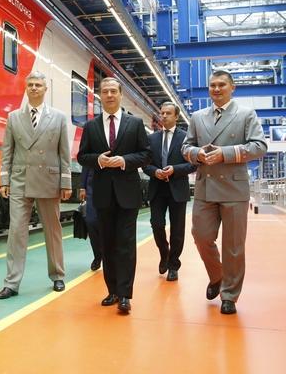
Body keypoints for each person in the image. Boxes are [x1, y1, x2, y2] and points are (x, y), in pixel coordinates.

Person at [182, 70, 267, 315]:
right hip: (205, 187)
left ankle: (229, 295)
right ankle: (217, 275)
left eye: (221, 85)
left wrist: (225, 154)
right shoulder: (198, 116)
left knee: (233, 246)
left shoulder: (245, 114)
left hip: (234, 188)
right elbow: (186, 146)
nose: (216, 89)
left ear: (232, 88)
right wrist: (197, 153)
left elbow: (259, 146)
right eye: (212, 85)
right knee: (201, 236)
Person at [77, 77, 151, 314]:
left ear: (120, 95)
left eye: (113, 91)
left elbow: (146, 154)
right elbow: (82, 156)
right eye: (105, 91)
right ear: (100, 96)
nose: (109, 95)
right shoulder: (91, 126)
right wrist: (98, 160)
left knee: (126, 244)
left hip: (127, 194)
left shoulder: (135, 123)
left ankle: (125, 294)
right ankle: (113, 291)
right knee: (107, 244)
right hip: (102, 195)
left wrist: (124, 161)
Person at [0, 71, 72, 299]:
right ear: (26, 88)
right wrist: (4, 180)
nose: (34, 88)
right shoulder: (13, 118)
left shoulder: (58, 118)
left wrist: (66, 183)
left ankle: (57, 275)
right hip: (20, 180)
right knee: (16, 232)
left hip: (49, 180)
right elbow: (7, 152)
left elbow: (64, 154)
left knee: (52, 230)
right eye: (30, 85)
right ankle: (11, 283)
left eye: (38, 85)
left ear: (45, 89)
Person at [143, 102, 196, 282]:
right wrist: (155, 172)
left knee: (177, 230)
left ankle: (173, 265)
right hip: (157, 189)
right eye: (162, 113)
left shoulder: (186, 138)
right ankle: (164, 252)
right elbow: (145, 164)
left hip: (177, 189)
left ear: (176, 116)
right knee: (156, 224)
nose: (164, 116)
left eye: (168, 113)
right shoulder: (152, 139)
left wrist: (174, 169)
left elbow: (193, 164)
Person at [80, 166, 102, 271]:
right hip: (91, 185)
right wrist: (82, 186)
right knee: (91, 221)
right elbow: (86, 163)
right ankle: (97, 256)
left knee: (108, 225)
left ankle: (108, 256)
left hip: (111, 184)